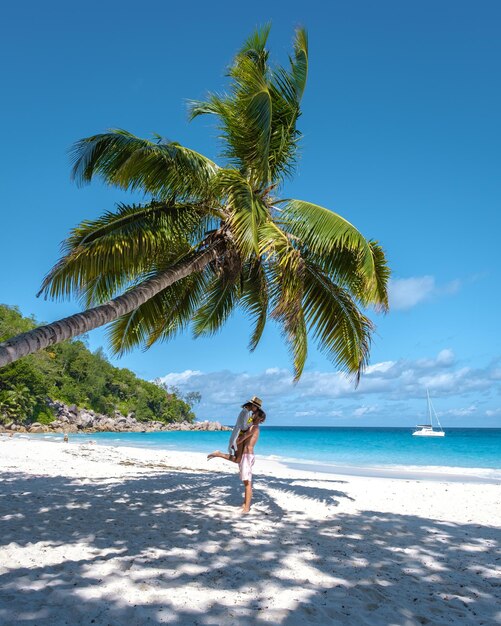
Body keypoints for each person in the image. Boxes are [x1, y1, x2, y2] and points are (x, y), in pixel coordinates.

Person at [208, 396, 262, 462]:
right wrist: (252, 423)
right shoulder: (244, 413)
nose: (257, 410)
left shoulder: (247, 412)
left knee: (238, 459)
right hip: (239, 435)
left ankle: (218, 454)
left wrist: (251, 421)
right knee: (238, 459)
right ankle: (218, 454)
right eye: (257, 407)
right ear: (253, 405)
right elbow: (243, 427)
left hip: (239, 434)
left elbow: (245, 424)